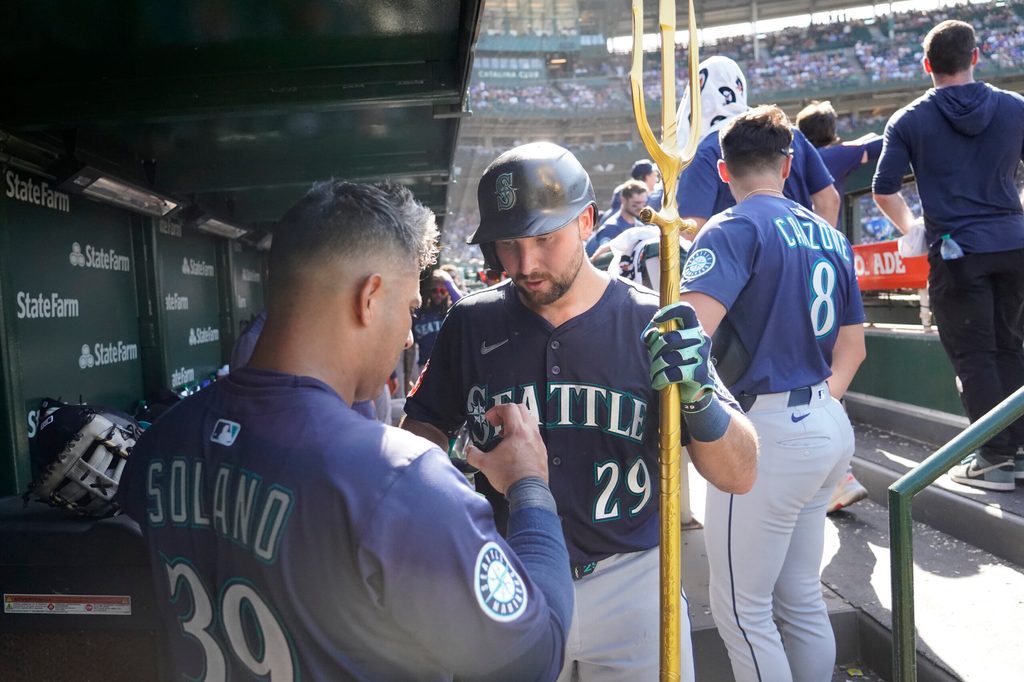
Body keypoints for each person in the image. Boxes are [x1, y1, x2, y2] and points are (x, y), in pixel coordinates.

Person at [117, 181, 574, 681]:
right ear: (369, 296)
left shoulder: (163, 440)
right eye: (409, 308)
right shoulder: (399, 479)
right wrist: (530, 485)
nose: (406, 333)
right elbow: (534, 660)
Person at [401, 141, 758, 681]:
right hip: (508, 575)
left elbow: (741, 473)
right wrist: (459, 451)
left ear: (587, 221)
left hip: (633, 584)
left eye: (544, 238)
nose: (524, 264)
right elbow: (420, 430)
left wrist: (700, 400)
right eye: (508, 244)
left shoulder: (653, 321)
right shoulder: (470, 323)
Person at [669, 105, 865, 681]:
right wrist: (814, 406)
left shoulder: (731, 227)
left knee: (743, 611)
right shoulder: (828, 233)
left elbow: (687, 340)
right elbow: (853, 351)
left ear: (723, 173)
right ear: (788, 162)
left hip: (766, 432)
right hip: (827, 420)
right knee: (801, 597)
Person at [872, 20, 1024, 492]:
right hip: (1014, 245)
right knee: (1011, 346)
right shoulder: (1016, 107)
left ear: (926, 65)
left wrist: (911, 226)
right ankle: (1015, 449)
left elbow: (883, 189)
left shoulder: (910, 118)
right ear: (976, 56)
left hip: (957, 253)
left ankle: (996, 459)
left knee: (974, 355)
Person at [796, 99, 883, 513]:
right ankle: (836, 474)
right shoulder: (832, 153)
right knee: (830, 364)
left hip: (788, 269)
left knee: (807, 369)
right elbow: (878, 144)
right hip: (828, 267)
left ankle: (833, 475)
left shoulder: (791, 155)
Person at [674, 56, 840, 231]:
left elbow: (691, 228)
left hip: (739, 254)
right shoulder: (791, 134)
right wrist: (816, 249)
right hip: (800, 251)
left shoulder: (705, 150)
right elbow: (829, 201)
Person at [796, 100, 884, 232]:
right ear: (831, 130)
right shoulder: (834, 156)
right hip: (825, 238)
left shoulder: (793, 157)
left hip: (794, 237)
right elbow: (882, 144)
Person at [585, 179, 649, 256]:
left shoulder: (640, 227)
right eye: (636, 203)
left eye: (643, 203)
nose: (641, 207)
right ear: (623, 200)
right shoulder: (611, 227)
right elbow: (603, 257)